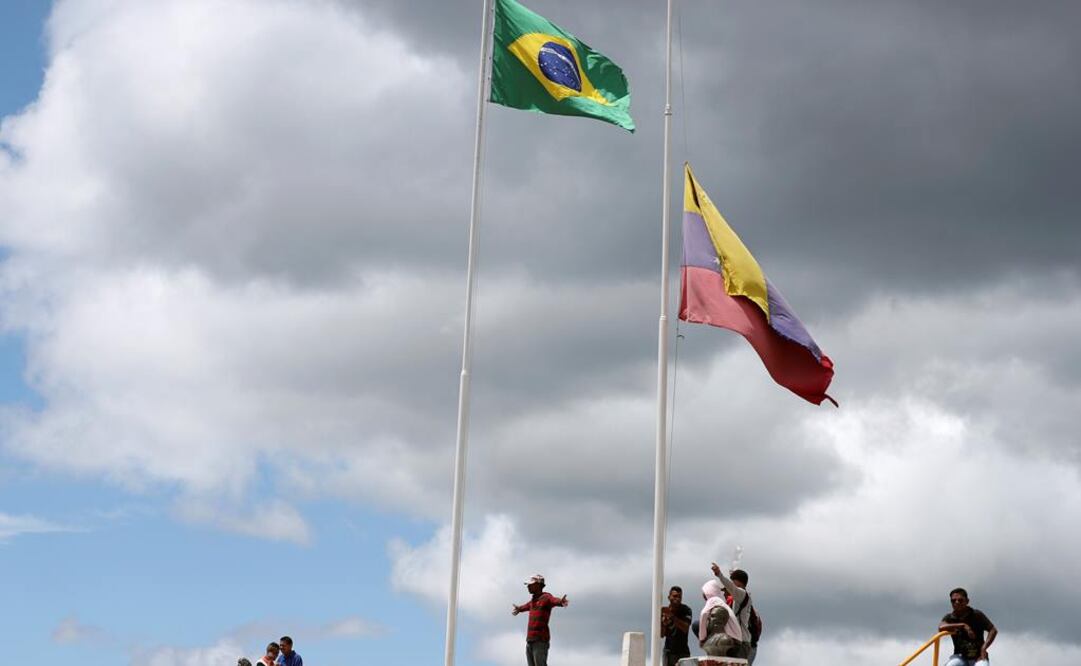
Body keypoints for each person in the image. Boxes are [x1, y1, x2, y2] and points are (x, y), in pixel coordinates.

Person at [512, 573, 569, 666]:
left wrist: (561, 602)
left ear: (538, 585)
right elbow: (526, 606)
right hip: (530, 640)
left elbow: (553, 600)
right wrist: (519, 609)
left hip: (540, 640)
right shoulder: (533, 601)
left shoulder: (546, 597)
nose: (528, 587)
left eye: (531, 584)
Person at [939, 588, 997, 666]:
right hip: (960, 657)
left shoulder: (976, 615)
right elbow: (941, 627)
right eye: (953, 601)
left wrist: (984, 648)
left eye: (960, 600)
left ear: (967, 601)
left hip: (978, 656)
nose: (956, 602)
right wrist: (963, 625)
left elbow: (993, 630)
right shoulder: (950, 618)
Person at [711, 562, 754, 659]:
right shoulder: (740, 597)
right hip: (738, 641)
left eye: (733, 581)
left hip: (741, 643)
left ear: (738, 582)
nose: (731, 583)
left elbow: (731, 587)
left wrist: (719, 574)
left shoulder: (742, 594)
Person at [698, 580, 744, 658]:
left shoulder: (713, 599)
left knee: (698, 624)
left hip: (728, 642)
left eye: (704, 592)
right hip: (736, 641)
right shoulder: (721, 601)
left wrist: (702, 639)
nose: (703, 595)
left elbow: (704, 614)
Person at [660, 585, 693, 666]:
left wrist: (672, 616)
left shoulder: (686, 610)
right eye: (675, 596)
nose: (677, 599)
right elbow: (661, 634)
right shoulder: (664, 612)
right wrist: (664, 624)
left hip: (683, 652)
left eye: (679, 597)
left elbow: (685, 628)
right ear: (669, 597)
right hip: (669, 651)